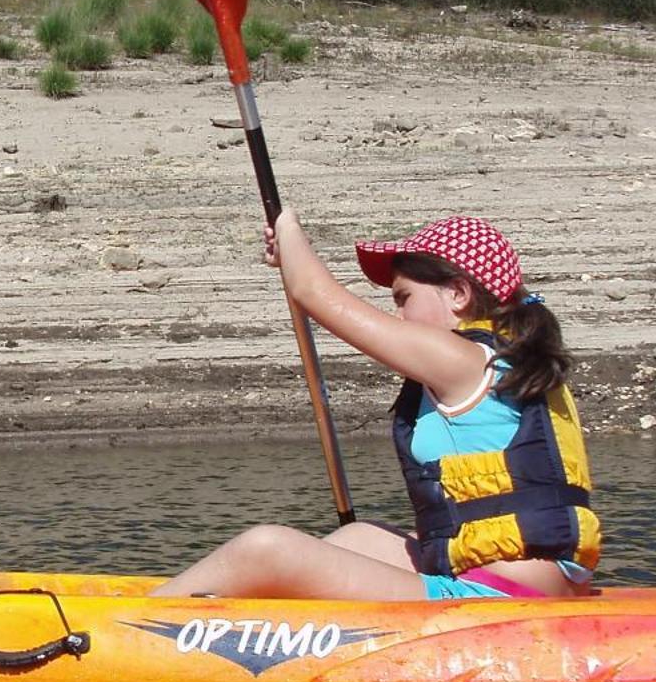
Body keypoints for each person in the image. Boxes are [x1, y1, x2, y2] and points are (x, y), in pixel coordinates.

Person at [154, 209, 599, 601]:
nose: (399, 316)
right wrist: (291, 262)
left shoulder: (465, 359)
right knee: (357, 538)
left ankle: (128, 629)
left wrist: (289, 230)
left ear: (458, 294)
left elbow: (315, 294)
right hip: (529, 580)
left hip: (497, 595)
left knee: (266, 548)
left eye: (404, 299)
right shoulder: (500, 357)